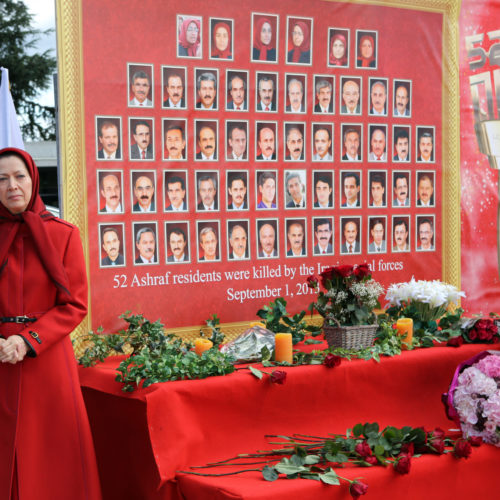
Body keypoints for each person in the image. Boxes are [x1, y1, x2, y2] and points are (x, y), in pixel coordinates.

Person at [0, 147, 102, 500]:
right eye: (1, 179)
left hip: (47, 360)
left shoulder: (63, 233)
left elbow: (75, 304)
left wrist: (26, 340)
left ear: (33, 179)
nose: (12, 185)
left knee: (51, 456)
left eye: (19, 176)